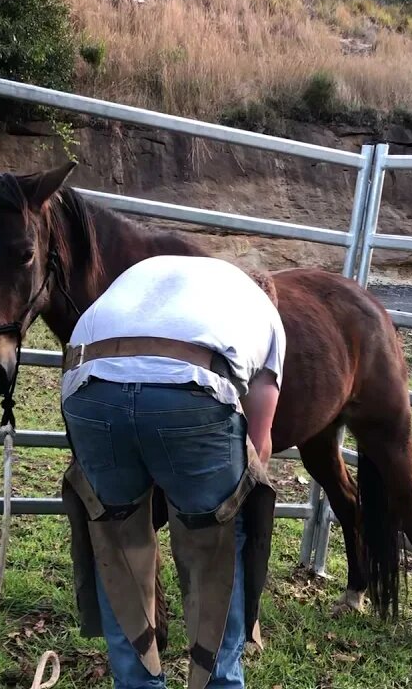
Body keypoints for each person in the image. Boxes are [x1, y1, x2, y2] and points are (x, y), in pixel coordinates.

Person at [58, 254, 286, 689]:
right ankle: (218, 682)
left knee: (116, 538)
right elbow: (260, 442)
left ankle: (137, 683)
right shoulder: (264, 313)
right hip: (192, 391)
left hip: (88, 386)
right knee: (217, 540)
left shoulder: (157, 278)